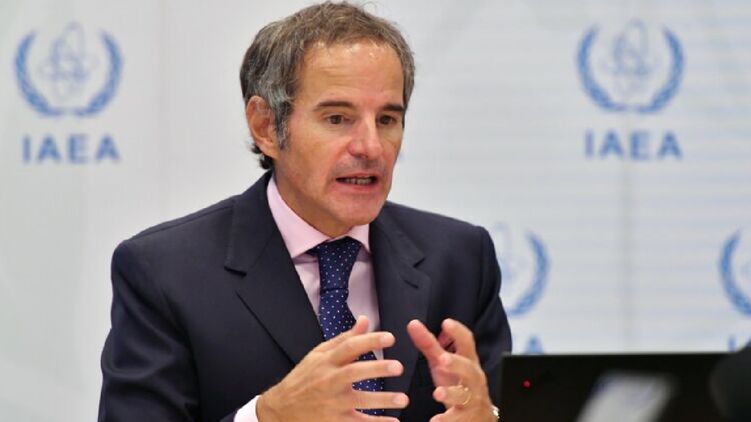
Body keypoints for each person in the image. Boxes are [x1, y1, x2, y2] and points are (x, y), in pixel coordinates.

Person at [99, 2, 511, 421]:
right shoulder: (166, 273)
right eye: (338, 118)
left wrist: (490, 417)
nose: (371, 147)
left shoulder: (459, 258)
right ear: (266, 127)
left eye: (387, 120)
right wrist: (268, 417)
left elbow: (504, 407)